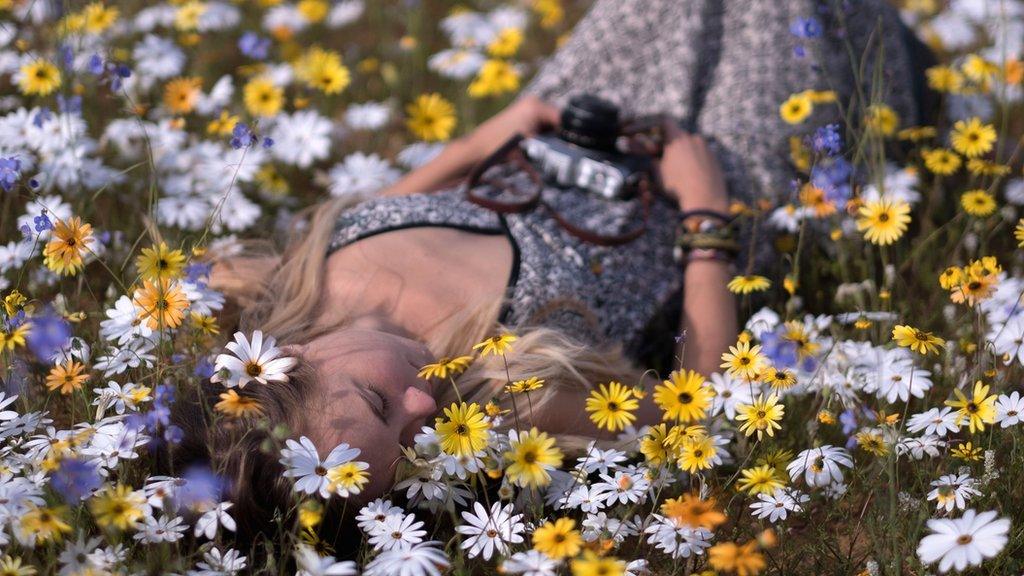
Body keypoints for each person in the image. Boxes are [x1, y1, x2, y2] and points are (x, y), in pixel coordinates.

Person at [165, 0, 924, 550]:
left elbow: (390, 206)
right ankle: (906, 83)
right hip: (720, 184)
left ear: (281, 364)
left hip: (575, 125)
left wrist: (484, 139)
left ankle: (890, 53)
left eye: (377, 399)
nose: (424, 402)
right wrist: (706, 224)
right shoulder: (503, 395)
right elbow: (694, 416)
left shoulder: (299, 281)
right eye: (412, 441)